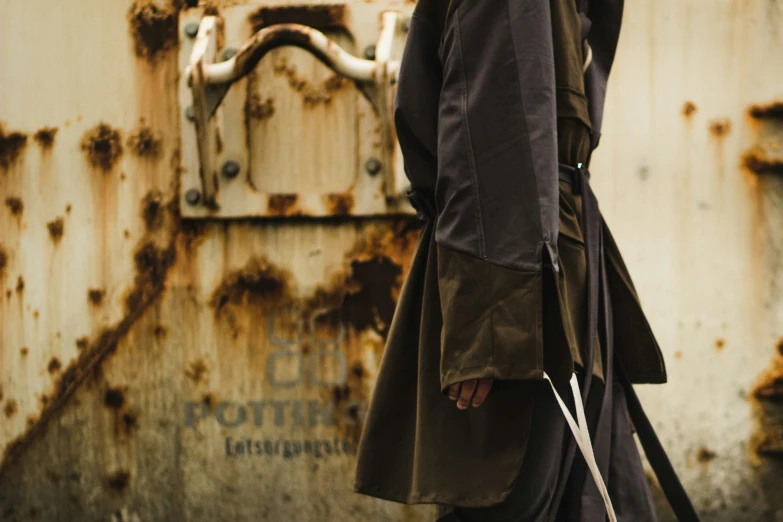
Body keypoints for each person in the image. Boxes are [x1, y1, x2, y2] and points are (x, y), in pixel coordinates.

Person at [353, 0, 686, 520]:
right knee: (531, 498)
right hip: (525, 281)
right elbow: (494, 141)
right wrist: (489, 328)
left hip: (542, 269)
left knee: (574, 497)